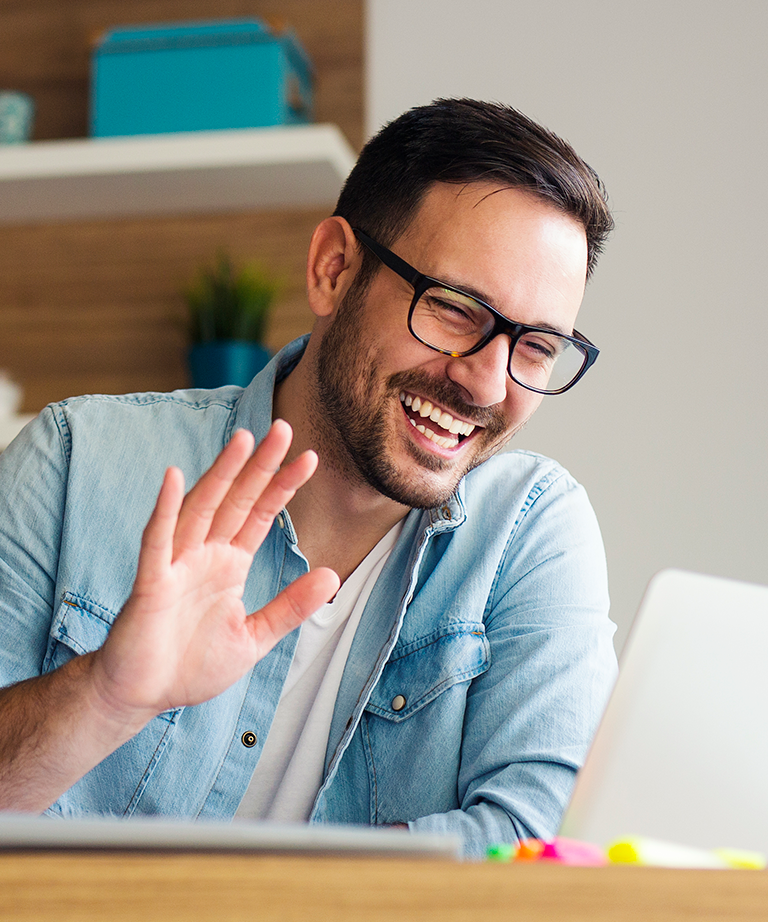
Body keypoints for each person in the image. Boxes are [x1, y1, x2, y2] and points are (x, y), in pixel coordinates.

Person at [0, 98, 617, 859]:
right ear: (334, 269)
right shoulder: (74, 461)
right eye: (457, 310)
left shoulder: (529, 532)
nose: (489, 385)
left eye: (538, 347)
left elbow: (534, 852)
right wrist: (101, 698)